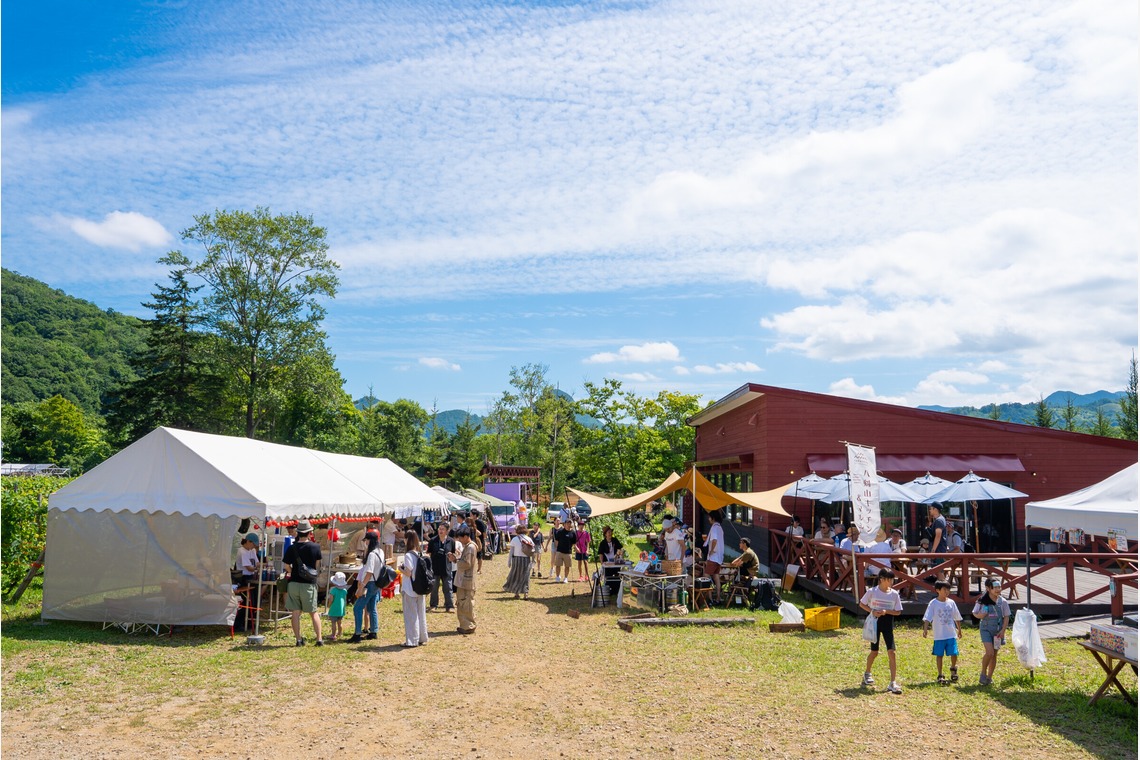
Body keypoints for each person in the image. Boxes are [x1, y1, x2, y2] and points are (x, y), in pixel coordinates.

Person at [859, 568, 903, 694]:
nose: (891, 582)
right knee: (874, 652)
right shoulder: (872, 592)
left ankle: (892, 682)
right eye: (889, 579)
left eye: (892, 579)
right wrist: (872, 611)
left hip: (888, 624)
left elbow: (898, 611)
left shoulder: (894, 594)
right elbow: (862, 604)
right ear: (881, 579)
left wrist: (886, 612)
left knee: (892, 652)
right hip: (875, 624)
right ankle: (867, 673)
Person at [282, 519, 323, 647]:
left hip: (294, 583)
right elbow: (317, 566)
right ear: (310, 532)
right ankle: (319, 639)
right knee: (313, 612)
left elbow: (286, 566)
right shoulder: (316, 547)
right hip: (309, 584)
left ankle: (298, 640)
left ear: (298, 532)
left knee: (295, 612)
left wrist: (294, 572)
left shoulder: (291, 548)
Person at [922, 580, 963, 685]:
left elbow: (957, 617)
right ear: (937, 590)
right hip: (939, 635)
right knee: (939, 654)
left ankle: (953, 668)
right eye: (944, 589)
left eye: (948, 589)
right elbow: (927, 617)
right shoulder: (933, 603)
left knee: (954, 652)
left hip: (951, 633)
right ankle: (940, 674)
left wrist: (959, 630)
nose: (947, 591)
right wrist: (925, 629)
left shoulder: (951, 602)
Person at [972, 578, 1011, 686]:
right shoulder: (982, 600)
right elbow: (974, 613)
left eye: (999, 587)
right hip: (985, 629)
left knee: (994, 655)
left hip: (998, 631)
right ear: (988, 589)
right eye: (995, 587)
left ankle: (989, 677)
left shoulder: (1002, 602)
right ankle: (983, 673)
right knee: (989, 652)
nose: (998, 589)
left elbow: (1006, 617)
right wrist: (980, 615)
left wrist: (1003, 631)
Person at [348, 531, 384, 643]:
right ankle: (373, 631)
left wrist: (361, 586)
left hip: (369, 583)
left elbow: (369, 572)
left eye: (366, 540)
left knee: (357, 608)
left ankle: (357, 634)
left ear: (370, 541)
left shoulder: (372, 554)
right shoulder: (380, 551)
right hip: (376, 584)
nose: (365, 542)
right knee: (372, 608)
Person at [398, 530, 428, 647]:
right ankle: (422, 637)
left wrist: (401, 569)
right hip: (420, 588)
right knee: (421, 614)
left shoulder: (408, 555)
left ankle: (412, 640)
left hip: (410, 588)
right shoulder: (419, 553)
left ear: (407, 540)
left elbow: (408, 572)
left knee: (411, 615)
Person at [452, 526, 477, 634]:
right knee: (463, 602)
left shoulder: (470, 548)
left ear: (466, 537)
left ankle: (468, 626)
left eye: (461, 538)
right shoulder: (468, 546)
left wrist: (456, 560)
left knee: (466, 603)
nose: (460, 541)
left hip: (466, 580)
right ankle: (465, 625)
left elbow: (467, 564)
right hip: (464, 579)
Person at [427, 522, 455, 613]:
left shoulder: (451, 541)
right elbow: (429, 553)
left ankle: (449, 606)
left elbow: (453, 553)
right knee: (434, 588)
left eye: (443, 529)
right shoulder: (433, 540)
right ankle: (433, 605)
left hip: (447, 568)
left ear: (447, 531)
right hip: (435, 568)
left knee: (448, 588)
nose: (440, 531)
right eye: (439, 529)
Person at [235, 533, 261, 631]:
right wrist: (257, 568)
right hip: (243, 578)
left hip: (252, 577)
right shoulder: (241, 551)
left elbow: (257, 562)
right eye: (253, 544)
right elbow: (249, 568)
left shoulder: (252, 550)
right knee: (245, 601)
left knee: (254, 601)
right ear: (248, 541)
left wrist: (259, 566)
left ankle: (250, 622)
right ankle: (238, 624)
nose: (254, 547)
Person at [503, 524, 534, 599]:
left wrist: (509, 561)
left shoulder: (514, 539)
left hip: (517, 559)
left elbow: (511, 552)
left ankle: (517, 593)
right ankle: (526, 593)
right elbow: (533, 550)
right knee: (526, 576)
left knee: (516, 575)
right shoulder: (528, 539)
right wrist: (533, 561)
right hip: (526, 559)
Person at [326, 572, 348, 642]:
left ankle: (333, 635)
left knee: (333, 623)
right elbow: (344, 599)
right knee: (339, 622)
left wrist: (329, 605)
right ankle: (340, 633)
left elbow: (331, 599)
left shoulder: (333, 590)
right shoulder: (344, 590)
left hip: (334, 609)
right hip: (341, 609)